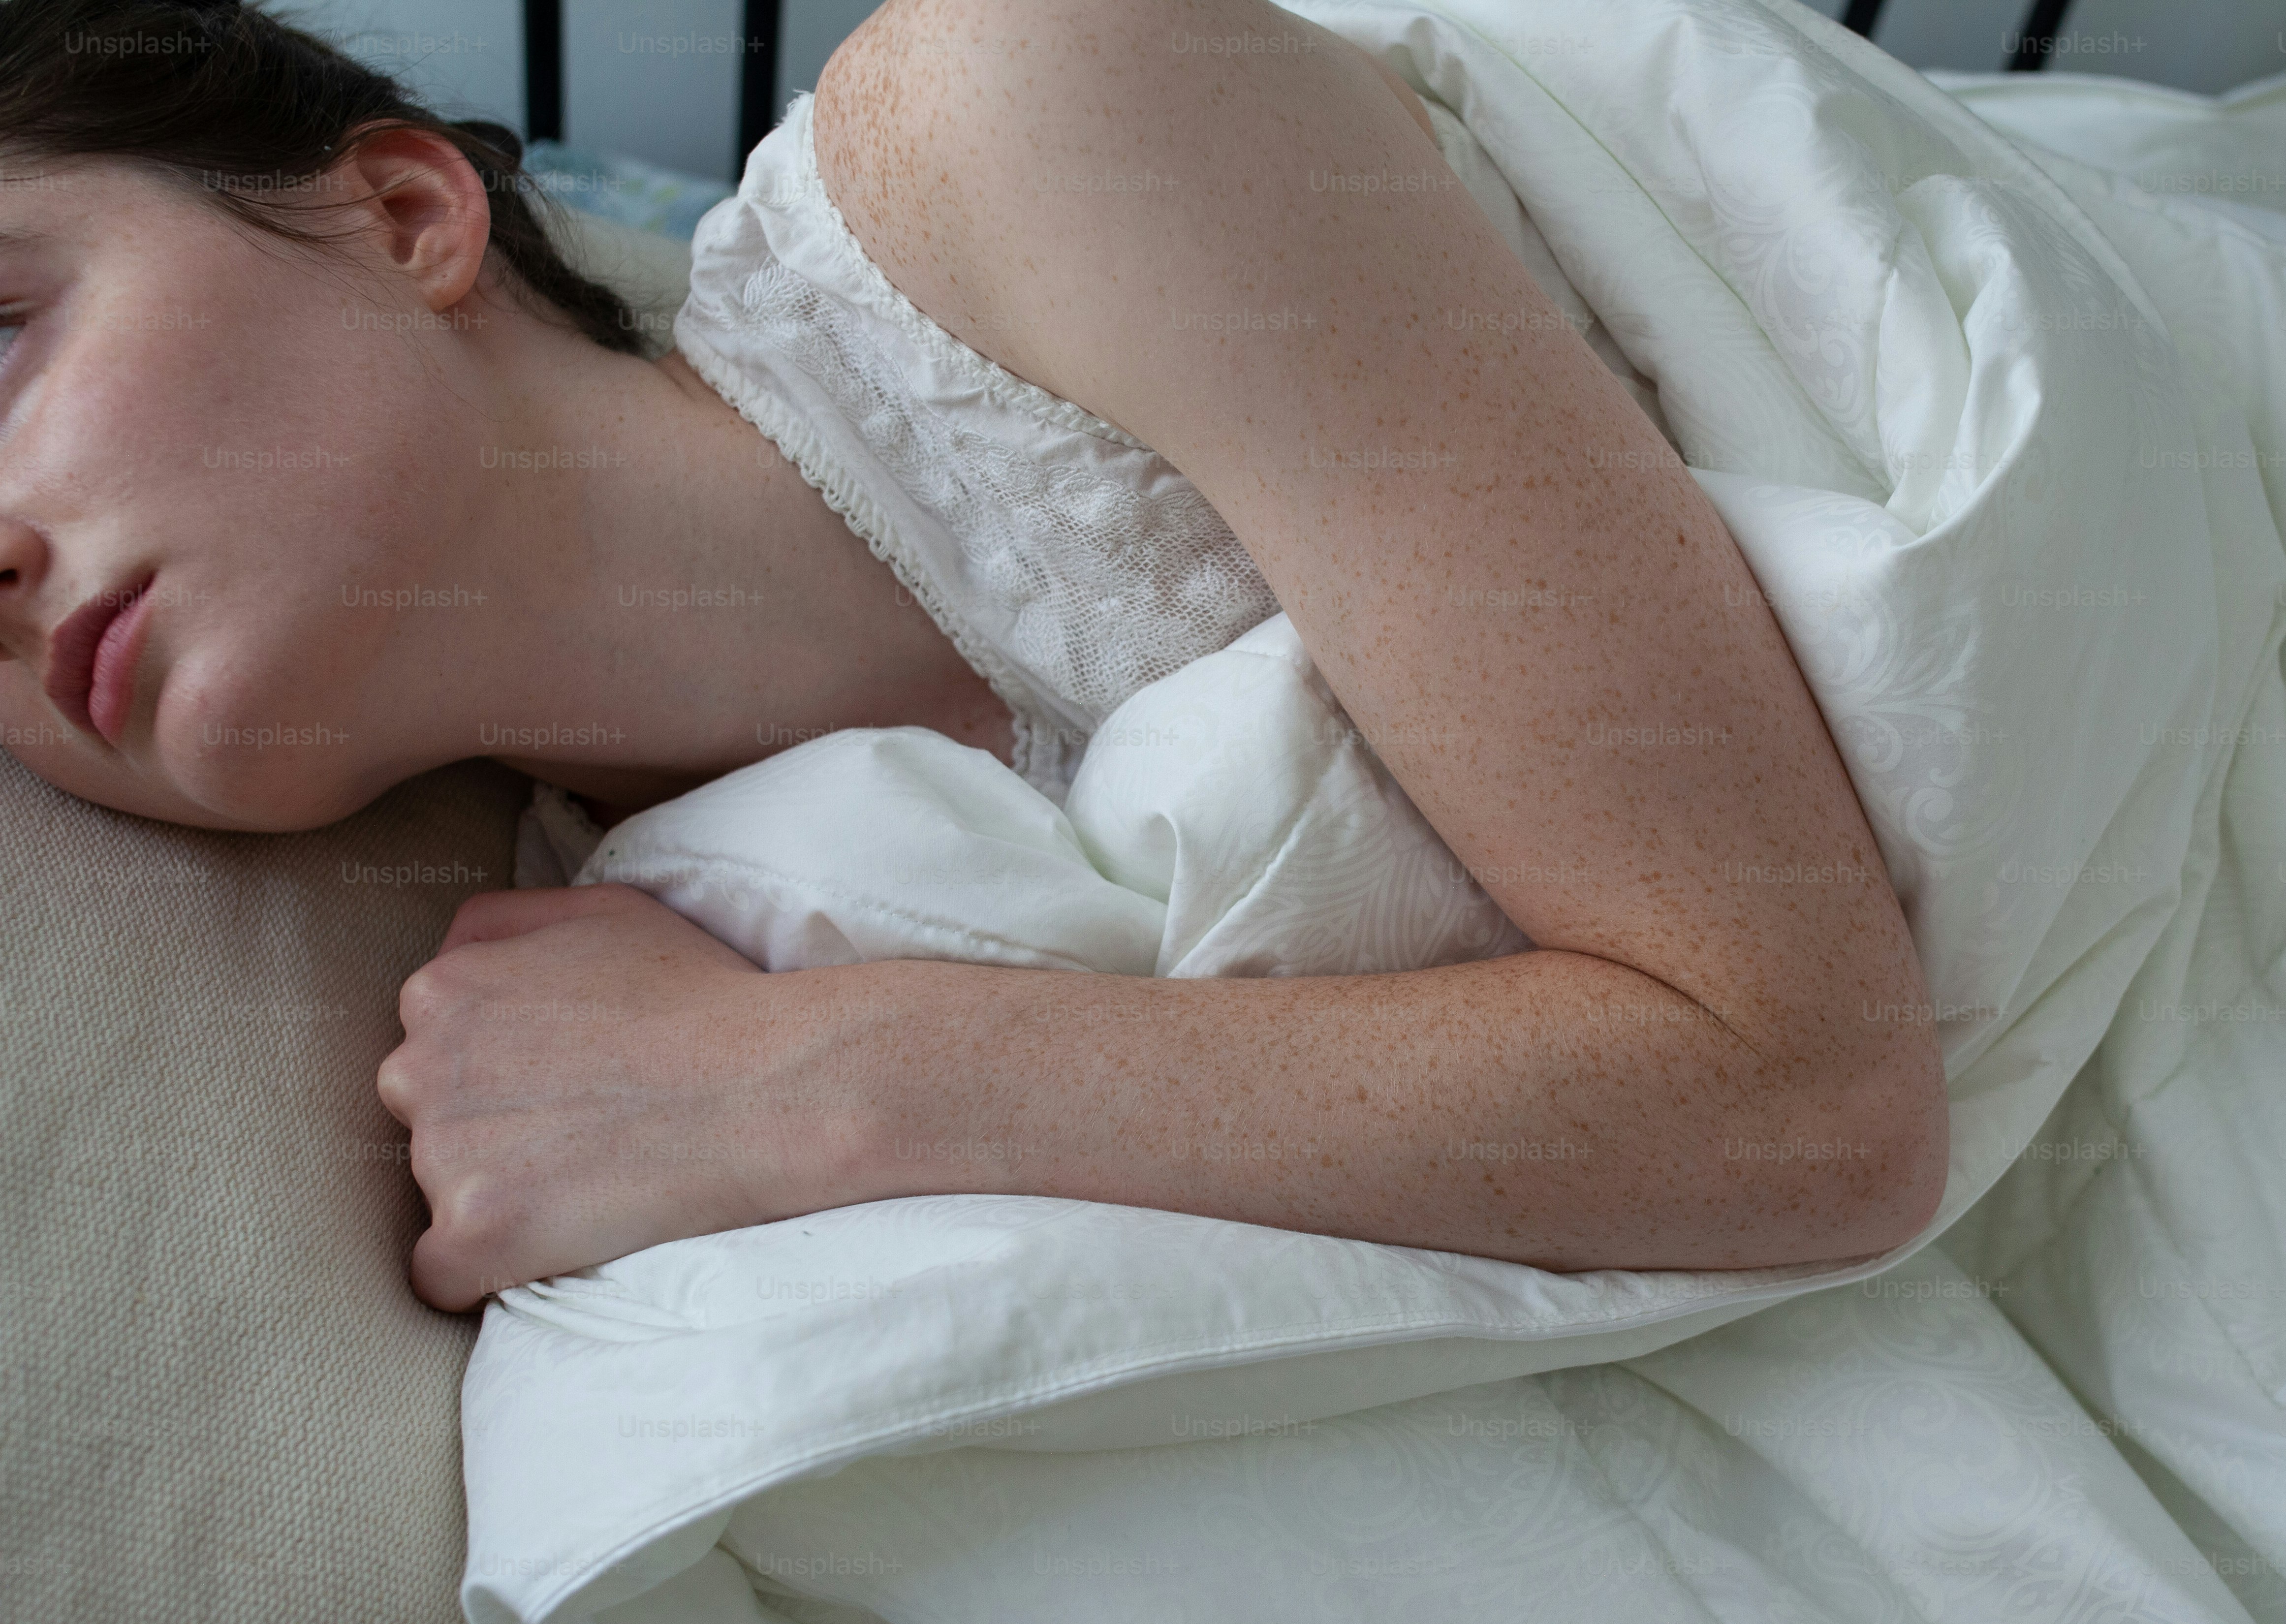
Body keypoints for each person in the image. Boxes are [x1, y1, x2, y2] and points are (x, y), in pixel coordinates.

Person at [0, 0, 1949, 1310]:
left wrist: (810, 1091)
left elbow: (1810, 1097)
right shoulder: (575, 1011)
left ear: (405, 212)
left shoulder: (1035, 102)